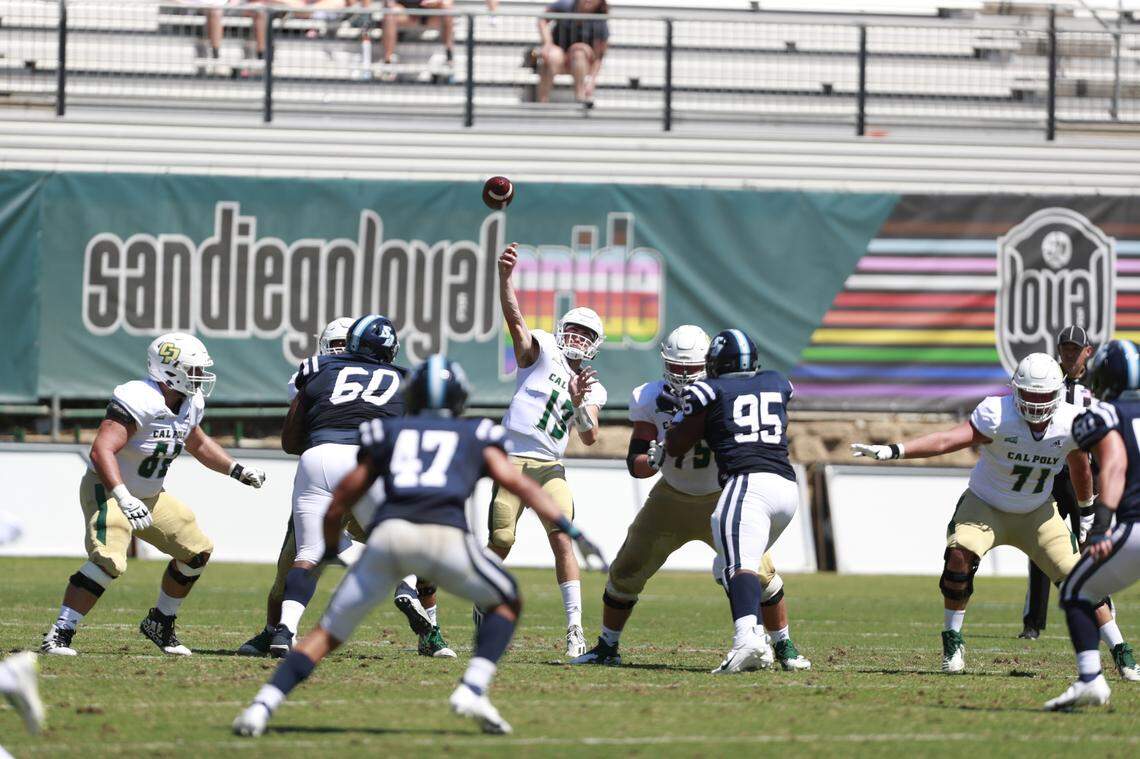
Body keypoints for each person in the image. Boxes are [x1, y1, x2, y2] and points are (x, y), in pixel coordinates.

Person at [232, 355, 606, 737]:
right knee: (507, 599)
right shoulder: (475, 433)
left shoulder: (386, 433)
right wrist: (572, 532)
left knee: (326, 634)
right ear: (460, 398)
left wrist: (331, 544)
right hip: (445, 539)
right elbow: (521, 485)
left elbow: (345, 494)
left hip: (390, 538)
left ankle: (261, 707)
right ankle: (473, 688)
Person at [852, 352, 1139, 679]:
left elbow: (1081, 469)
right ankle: (952, 639)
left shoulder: (1070, 421)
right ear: (1016, 391)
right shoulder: (996, 413)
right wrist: (895, 450)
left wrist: (1087, 514)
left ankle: (1121, 652)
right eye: (1029, 395)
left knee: (1085, 580)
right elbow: (948, 440)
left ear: (1057, 394)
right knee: (958, 559)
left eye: (1042, 396)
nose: (1034, 403)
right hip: (985, 505)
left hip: (1037, 513)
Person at [573, 325, 809, 670]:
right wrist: (653, 457)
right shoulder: (650, 396)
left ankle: (784, 645)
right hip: (672, 496)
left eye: (691, 369)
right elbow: (637, 465)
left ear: (710, 365)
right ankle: (607, 646)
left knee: (760, 572)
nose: (683, 376)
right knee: (626, 569)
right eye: (677, 368)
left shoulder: (723, 391)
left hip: (724, 495)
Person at [41, 333, 267, 657]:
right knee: (109, 558)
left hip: (150, 496)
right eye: (193, 370)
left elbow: (198, 443)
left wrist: (236, 469)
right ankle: (59, 633)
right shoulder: (139, 398)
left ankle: (160, 621)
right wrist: (122, 495)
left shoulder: (190, 403)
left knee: (196, 551)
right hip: (109, 490)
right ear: (170, 371)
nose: (200, 378)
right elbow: (101, 449)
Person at [256, 313, 430, 659]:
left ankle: (284, 632)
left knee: (307, 555)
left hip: (318, 455)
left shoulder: (317, 368)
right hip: (367, 459)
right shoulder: (406, 379)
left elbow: (290, 441)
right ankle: (405, 586)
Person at [489, 242, 607, 657]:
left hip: (550, 467)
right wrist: (505, 279)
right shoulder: (544, 352)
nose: (577, 337)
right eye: (573, 329)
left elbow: (590, 436)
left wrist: (578, 402)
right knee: (502, 539)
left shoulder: (594, 386)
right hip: (510, 462)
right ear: (561, 331)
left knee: (562, 540)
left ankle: (575, 628)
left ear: (595, 345)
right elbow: (517, 323)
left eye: (586, 334)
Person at [665, 329, 800, 674]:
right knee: (728, 565)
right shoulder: (777, 381)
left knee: (740, 567)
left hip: (746, 484)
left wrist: (673, 434)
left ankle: (748, 641)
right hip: (785, 487)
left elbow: (679, 445)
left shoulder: (708, 389)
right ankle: (765, 638)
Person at [1048, 340, 1140, 709]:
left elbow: (1114, 464)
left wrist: (1100, 525)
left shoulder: (1106, 414)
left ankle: (1090, 680)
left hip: (1135, 528)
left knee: (1075, 592)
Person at [1020, 325, 1096, 640]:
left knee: (1093, 547)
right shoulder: (1048, 379)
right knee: (1040, 549)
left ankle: (1099, 613)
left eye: (1075, 349)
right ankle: (1032, 623)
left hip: (1085, 476)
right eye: (1065, 348)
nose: (1069, 354)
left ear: (1087, 352)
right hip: (1051, 474)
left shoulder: (1100, 383)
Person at [537, 0, 609, 105]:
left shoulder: (600, 19)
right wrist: (548, 43)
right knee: (550, 55)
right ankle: (542, 102)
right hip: (560, 56)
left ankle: (581, 98)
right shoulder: (566, 5)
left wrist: (592, 81)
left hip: (582, 60)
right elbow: (542, 19)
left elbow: (598, 56)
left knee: (579, 51)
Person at [379, 0, 456, 72]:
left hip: (430, 12)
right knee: (390, 11)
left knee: (447, 6)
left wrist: (436, 1)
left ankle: (449, 55)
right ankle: (387, 61)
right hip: (405, 12)